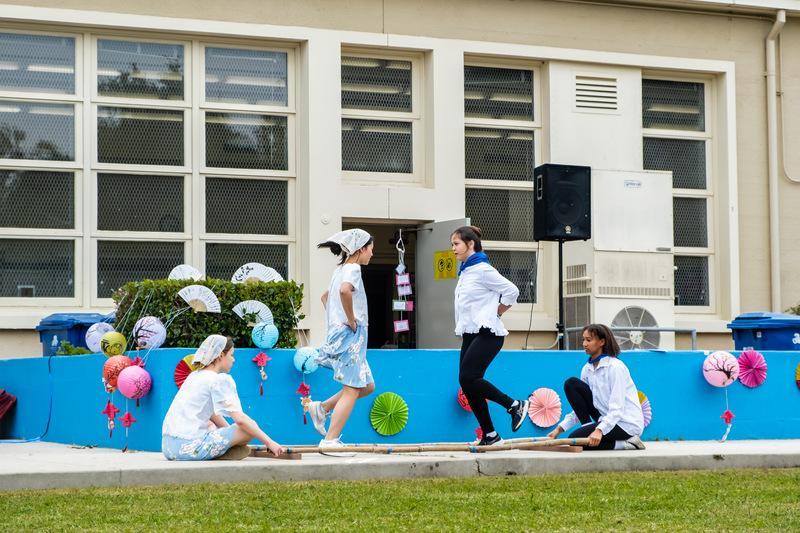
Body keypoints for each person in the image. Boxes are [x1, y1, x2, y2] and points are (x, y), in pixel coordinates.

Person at [451, 225, 528, 446]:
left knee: (469, 377)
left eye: (456, 244)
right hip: (471, 334)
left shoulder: (483, 270)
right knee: (467, 382)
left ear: (470, 244)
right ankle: (490, 435)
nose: (453, 248)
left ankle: (514, 405)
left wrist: (498, 312)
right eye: (452, 244)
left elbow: (512, 290)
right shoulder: (466, 271)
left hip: (488, 333)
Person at [162, 335, 284, 460]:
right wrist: (269, 442)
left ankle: (223, 450)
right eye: (231, 355)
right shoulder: (217, 380)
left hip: (169, 448)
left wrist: (229, 434)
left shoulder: (194, 376)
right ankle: (222, 452)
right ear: (220, 355)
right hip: (190, 447)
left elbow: (211, 414)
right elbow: (240, 420)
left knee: (212, 425)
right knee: (249, 428)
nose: (233, 360)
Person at [307, 228, 376, 451]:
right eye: (371, 249)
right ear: (361, 249)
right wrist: (351, 320)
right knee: (352, 389)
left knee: (367, 386)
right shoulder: (354, 268)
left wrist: (337, 320)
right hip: (351, 334)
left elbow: (325, 297)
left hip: (343, 333)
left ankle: (322, 408)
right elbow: (345, 291)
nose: (372, 254)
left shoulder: (340, 270)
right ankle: (330, 441)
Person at [546, 324, 646, 450]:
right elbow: (580, 407)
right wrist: (559, 429)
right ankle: (587, 429)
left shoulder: (616, 367)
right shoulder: (587, 369)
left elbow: (617, 408)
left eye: (589, 340)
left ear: (602, 342)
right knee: (571, 384)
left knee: (575, 441)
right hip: (605, 419)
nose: (584, 344)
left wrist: (599, 430)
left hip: (626, 423)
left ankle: (627, 443)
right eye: (583, 340)